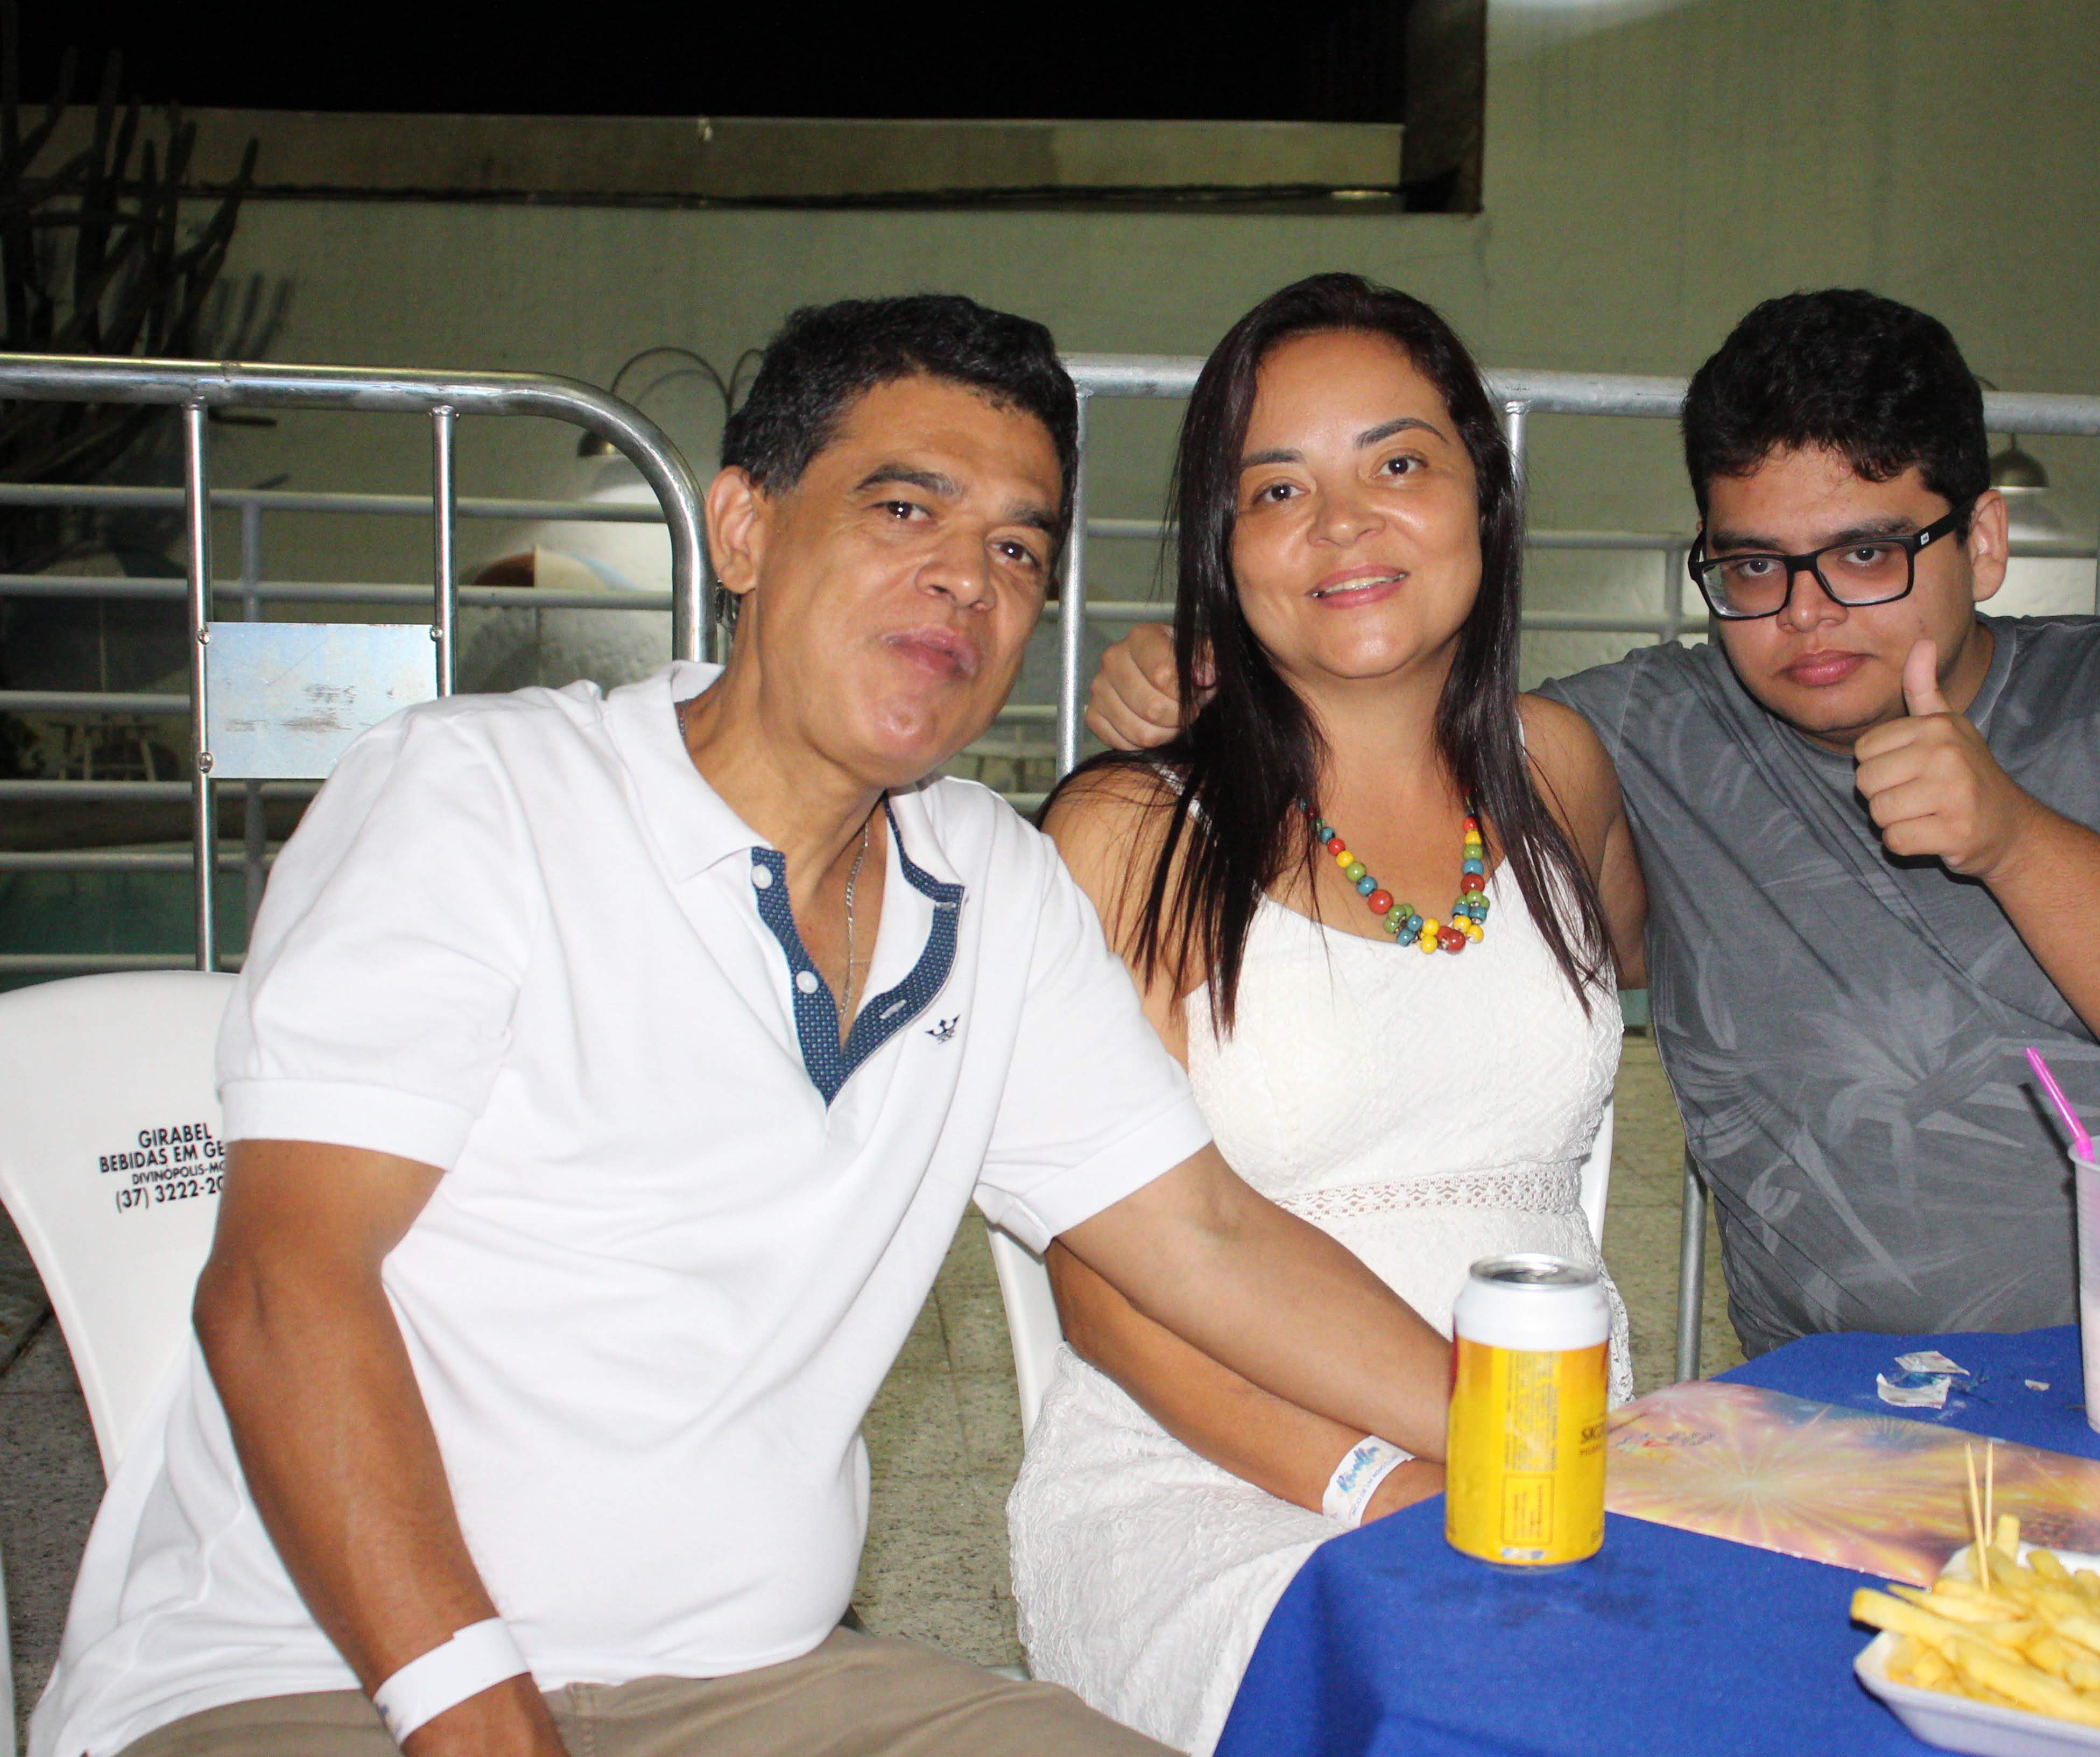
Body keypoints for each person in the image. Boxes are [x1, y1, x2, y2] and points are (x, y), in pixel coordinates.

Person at [32, 295, 1457, 1757]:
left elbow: (1208, 1237)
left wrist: (1535, 1435)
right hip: (329, 1671)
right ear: (742, 529)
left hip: (754, 1679)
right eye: (904, 508)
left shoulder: (991, 884)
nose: (964, 579)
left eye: (1017, 550)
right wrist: (467, 1707)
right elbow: (284, 1283)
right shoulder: (480, 799)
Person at [1083, 288, 2100, 1361]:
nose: (1805, 615)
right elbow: (1393, 733)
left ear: (1981, 542)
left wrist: (2013, 839)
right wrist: (1196, 681)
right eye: (1752, 566)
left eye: (1866, 554)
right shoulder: (1638, 738)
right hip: (1849, 1421)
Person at [1006, 273, 1639, 1753]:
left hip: (1569, 1450)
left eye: (1397, 463)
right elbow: (1105, 1292)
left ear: (1484, 494)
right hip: (1235, 1478)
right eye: (1277, 488)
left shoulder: (1557, 769)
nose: (1343, 525)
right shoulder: (1129, 834)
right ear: (1223, 549)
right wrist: (1384, 1483)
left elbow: (1594, 974)